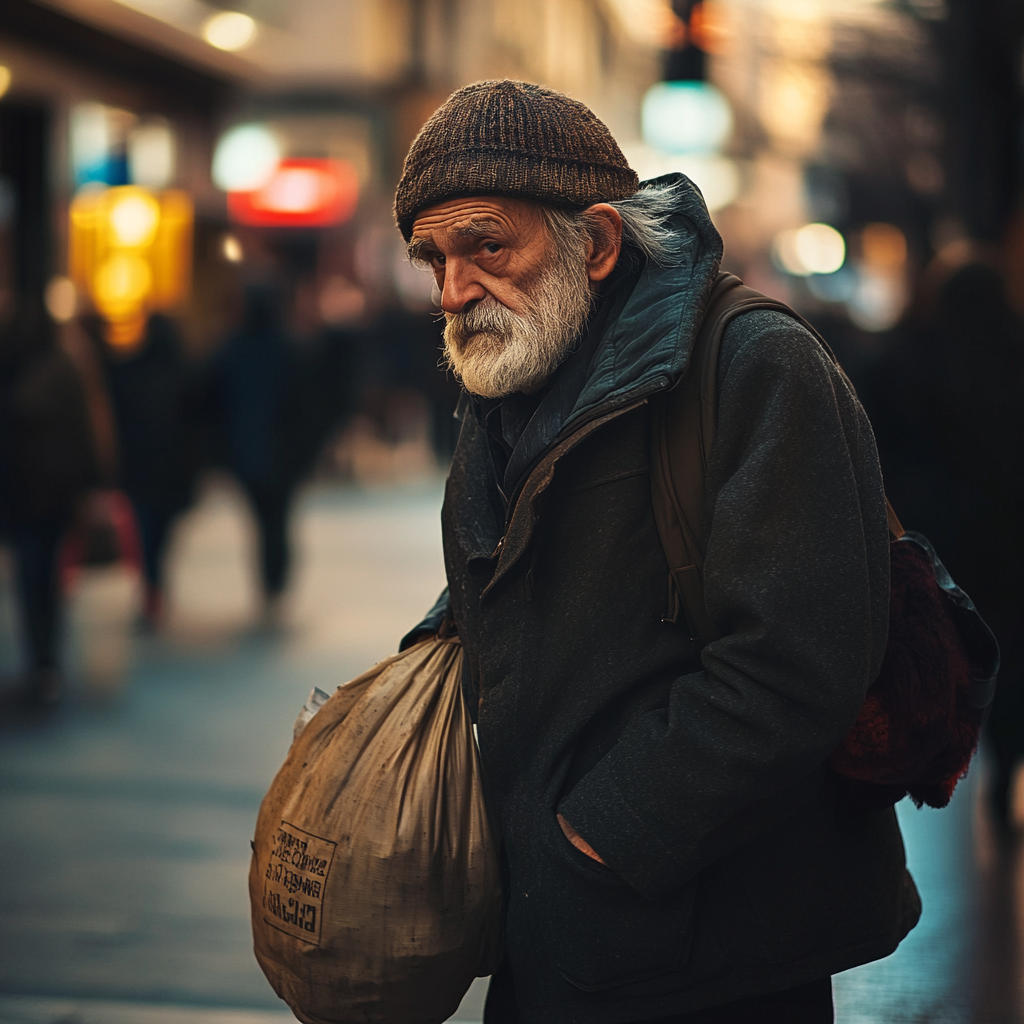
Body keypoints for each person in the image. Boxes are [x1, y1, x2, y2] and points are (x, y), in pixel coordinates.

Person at [396, 81, 921, 1024]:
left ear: (595, 243)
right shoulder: (515, 372)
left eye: (485, 245)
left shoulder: (757, 365)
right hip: (551, 937)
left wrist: (602, 835)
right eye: (434, 257)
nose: (453, 289)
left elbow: (798, 661)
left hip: (713, 953)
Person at [0, 298, 99, 703]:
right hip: (55, 493)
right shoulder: (66, 368)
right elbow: (87, 431)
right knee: (44, 578)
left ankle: (41, 662)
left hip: (27, 495)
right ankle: (46, 662)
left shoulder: (17, 373)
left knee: (32, 579)